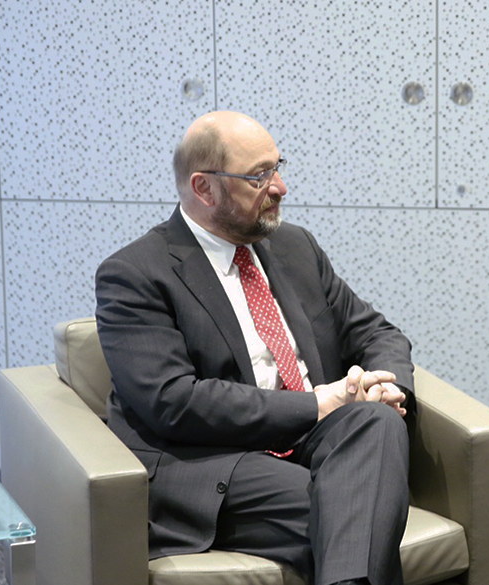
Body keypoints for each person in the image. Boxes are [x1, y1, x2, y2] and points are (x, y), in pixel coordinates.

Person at [95, 111, 414, 585]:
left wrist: (387, 386)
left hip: (310, 438)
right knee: (354, 506)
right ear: (204, 188)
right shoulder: (136, 273)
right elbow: (173, 402)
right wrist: (318, 403)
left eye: (277, 166)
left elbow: (377, 333)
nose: (281, 186)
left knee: (377, 423)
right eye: (259, 176)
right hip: (214, 457)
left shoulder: (295, 247)